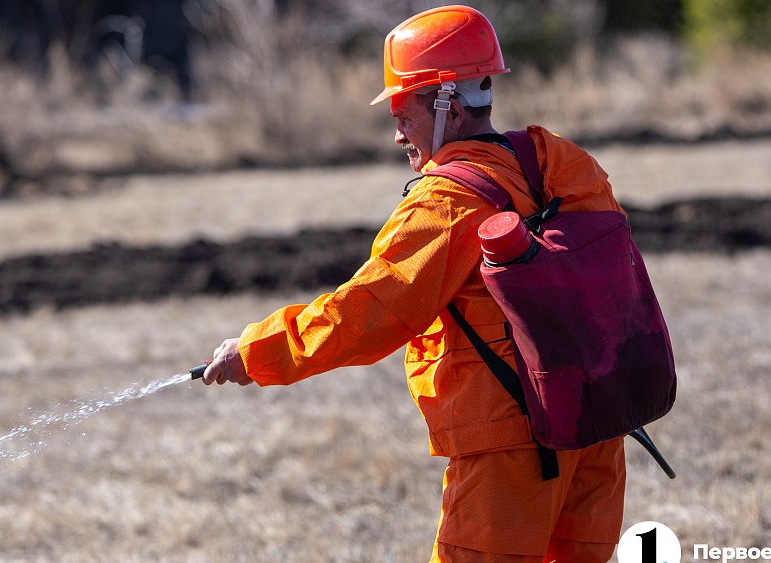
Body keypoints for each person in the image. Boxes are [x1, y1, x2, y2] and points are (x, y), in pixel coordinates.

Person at [202, 5, 626, 562]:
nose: (397, 132)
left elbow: (365, 315)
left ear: (450, 104)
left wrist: (257, 351)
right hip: (598, 428)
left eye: (404, 111)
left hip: (513, 449)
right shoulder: (563, 162)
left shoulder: (445, 201)